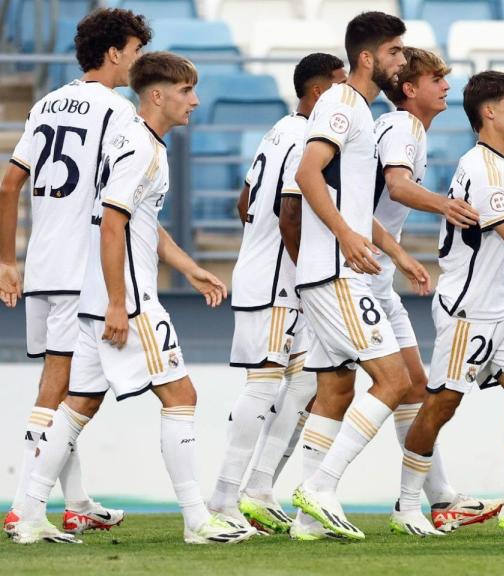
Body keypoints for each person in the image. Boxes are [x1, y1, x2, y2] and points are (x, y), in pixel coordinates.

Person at [13, 52, 257, 545]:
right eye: (187, 91)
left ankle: (30, 514)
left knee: (78, 403)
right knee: (181, 395)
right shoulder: (143, 148)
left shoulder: (131, 141)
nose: (195, 101)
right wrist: (120, 303)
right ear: (157, 95)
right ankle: (196, 521)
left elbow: (138, 220)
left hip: (93, 294)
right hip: (126, 296)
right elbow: (113, 223)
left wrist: (188, 269)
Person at [0, 8, 152, 537]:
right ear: (114, 53)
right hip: (79, 267)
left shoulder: (45, 103)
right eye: (134, 52)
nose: (136, 62)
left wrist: (6, 261)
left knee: (65, 389)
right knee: (62, 393)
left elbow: (9, 184)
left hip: (41, 264)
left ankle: (77, 502)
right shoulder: (118, 112)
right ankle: (25, 510)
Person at [394, 70, 504, 538]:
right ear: (488, 111)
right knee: (441, 404)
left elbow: (489, 235)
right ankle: (407, 505)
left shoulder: (500, 167)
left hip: (498, 311)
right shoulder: (485, 168)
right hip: (467, 311)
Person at [287, 11, 430, 541]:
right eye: (395, 52)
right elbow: (306, 173)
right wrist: (348, 237)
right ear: (368, 57)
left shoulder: (361, 112)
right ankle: (322, 487)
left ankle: (306, 520)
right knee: (394, 381)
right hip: (334, 272)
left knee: (335, 388)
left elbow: (347, 195)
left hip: (334, 267)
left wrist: (388, 245)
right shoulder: (344, 103)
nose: (402, 60)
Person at [208, 53, 346, 538]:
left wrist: (260, 241)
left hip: (273, 273)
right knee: (264, 386)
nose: (346, 97)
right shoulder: (306, 136)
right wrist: (298, 270)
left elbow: (245, 202)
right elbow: (289, 213)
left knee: (305, 384)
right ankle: (223, 498)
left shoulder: (277, 130)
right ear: (319, 92)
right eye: (340, 87)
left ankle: (260, 488)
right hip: (276, 282)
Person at [374, 47, 503, 533]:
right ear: (410, 89)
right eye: (435, 78)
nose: (446, 85)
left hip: (376, 273)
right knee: (318, 391)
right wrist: (446, 206)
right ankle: (275, 493)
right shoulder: (403, 127)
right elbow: (399, 187)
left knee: (409, 388)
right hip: (356, 272)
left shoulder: (408, 130)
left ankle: (439, 496)